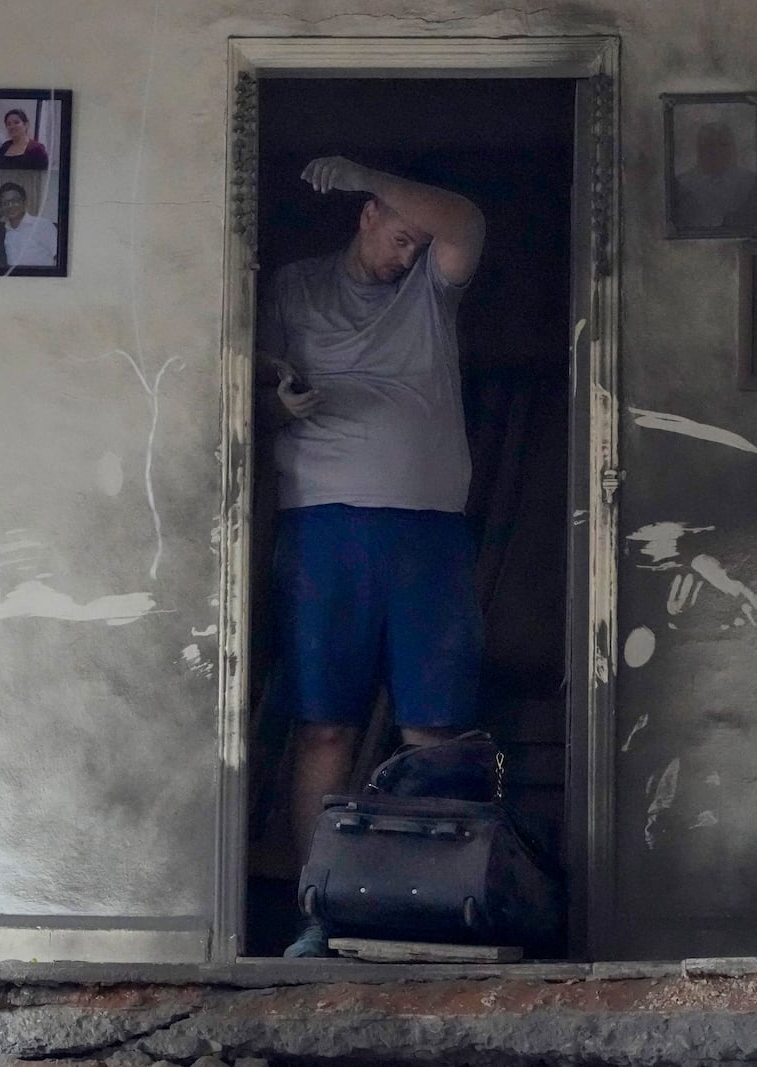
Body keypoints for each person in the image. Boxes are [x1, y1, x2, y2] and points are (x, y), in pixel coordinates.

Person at [256, 155, 486, 958]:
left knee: (435, 727)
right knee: (324, 728)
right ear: (364, 220)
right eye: (397, 239)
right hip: (324, 524)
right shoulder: (294, 287)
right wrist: (274, 402)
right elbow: (249, 390)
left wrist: (365, 174)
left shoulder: (431, 285)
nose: (407, 255)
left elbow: (462, 222)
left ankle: (431, 913)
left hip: (428, 531)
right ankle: (316, 913)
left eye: (416, 243)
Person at [673, 121, 757, 232]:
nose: (717, 151)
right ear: (699, 150)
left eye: (724, 144)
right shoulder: (680, 185)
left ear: (734, 148)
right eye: (709, 145)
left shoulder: (753, 183)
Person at [0, 182, 57, 268]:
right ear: (1, 207)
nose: (10, 206)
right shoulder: (2, 231)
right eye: (5, 203)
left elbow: (61, 258)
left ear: (24, 202)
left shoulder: (42, 225)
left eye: (15, 201)